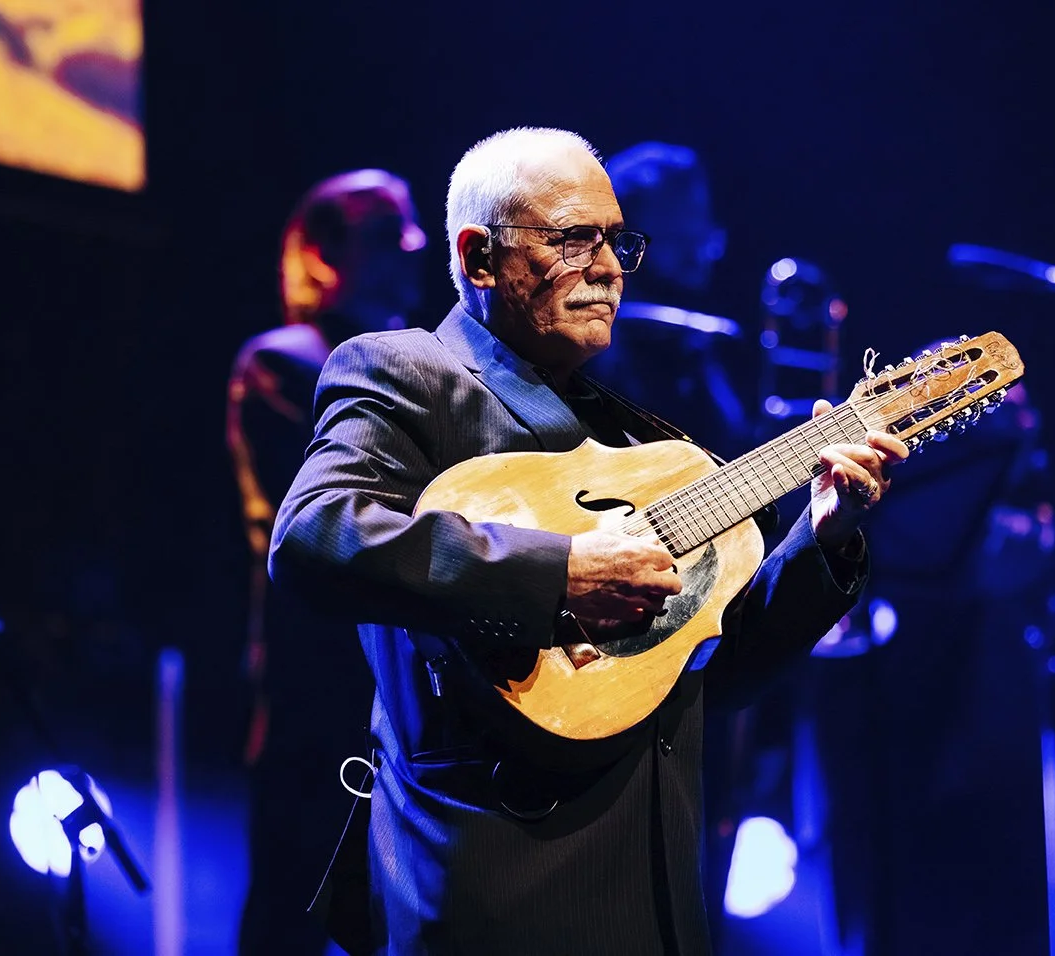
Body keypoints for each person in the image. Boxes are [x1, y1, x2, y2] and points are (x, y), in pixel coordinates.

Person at [268, 127, 906, 955]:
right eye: (575, 239)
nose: (608, 269)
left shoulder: (639, 438)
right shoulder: (405, 372)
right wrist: (561, 575)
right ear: (480, 256)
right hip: (494, 885)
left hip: (657, 891)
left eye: (617, 241)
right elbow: (316, 535)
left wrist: (821, 539)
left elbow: (722, 672)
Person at [226, 168, 426, 955]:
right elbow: (339, 511)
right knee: (295, 906)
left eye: (411, 232)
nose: (409, 250)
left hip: (401, 681)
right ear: (320, 253)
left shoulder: (419, 362)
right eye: (384, 234)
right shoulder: (284, 360)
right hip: (318, 678)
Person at [583, 141, 751, 458]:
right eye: (680, 237)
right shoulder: (596, 350)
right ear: (626, 241)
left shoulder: (696, 346)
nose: (703, 250)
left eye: (702, 228)